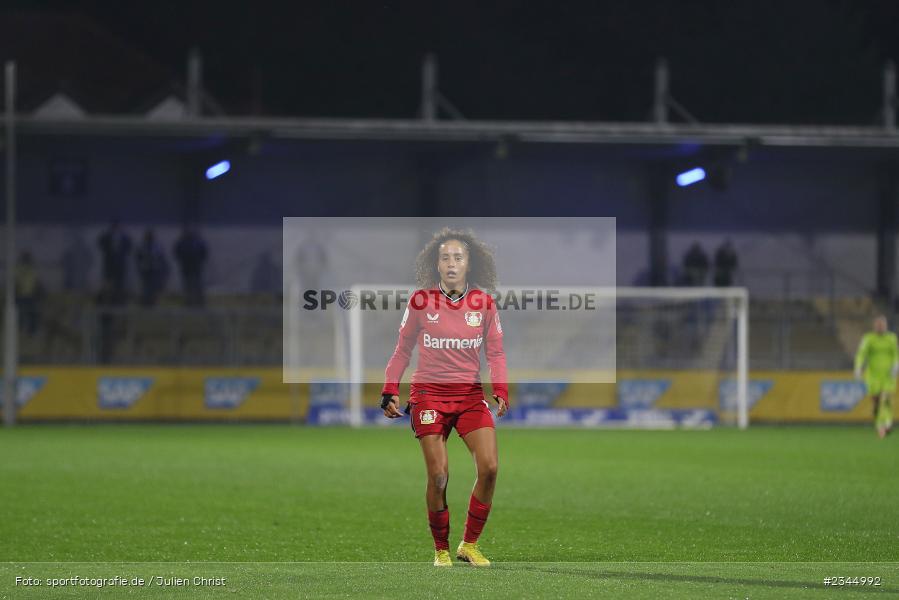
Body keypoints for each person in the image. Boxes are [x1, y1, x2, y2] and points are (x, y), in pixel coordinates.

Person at [381, 227, 508, 568]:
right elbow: (402, 349)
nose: (452, 263)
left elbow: (495, 352)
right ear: (436, 264)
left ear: (469, 264)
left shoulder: (484, 303)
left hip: (468, 396)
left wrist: (500, 388)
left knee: (491, 467)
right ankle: (441, 549)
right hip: (429, 397)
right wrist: (390, 388)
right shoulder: (421, 302)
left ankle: (469, 545)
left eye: (458, 257)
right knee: (439, 476)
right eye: (445, 257)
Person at [854, 315, 897, 438]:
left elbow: (896, 354)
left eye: (882, 325)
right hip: (873, 376)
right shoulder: (868, 338)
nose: (880, 327)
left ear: (886, 326)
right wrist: (858, 367)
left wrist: (896, 365)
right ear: (874, 326)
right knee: (877, 402)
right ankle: (879, 425)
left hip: (888, 375)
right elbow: (861, 354)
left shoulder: (891, 338)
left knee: (886, 399)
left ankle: (888, 423)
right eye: (878, 325)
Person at [97, 220, 132, 303]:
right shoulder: (106, 237)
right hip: (109, 266)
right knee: (108, 286)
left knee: (120, 286)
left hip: (120, 267)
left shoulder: (125, 238)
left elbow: (129, 247)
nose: (117, 229)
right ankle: (108, 301)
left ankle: (119, 301)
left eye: (118, 227)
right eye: (115, 227)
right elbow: (100, 244)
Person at [173, 225, 208, 307]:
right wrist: (182, 260)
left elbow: (204, 252)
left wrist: (200, 261)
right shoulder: (182, 242)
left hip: (196, 266)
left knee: (198, 285)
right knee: (188, 285)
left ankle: (200, 302)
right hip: (186, 267)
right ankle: (189, 301)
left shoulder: (198, 242)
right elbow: (177, 252)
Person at [135, 229, 169, 307]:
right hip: (145, 269)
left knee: (153, 287)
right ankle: (145, 302)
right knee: (145, 287)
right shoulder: (142, 246)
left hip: (155, 269)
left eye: (151, 236)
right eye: (148, 236)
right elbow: (138, 257)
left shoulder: (157, 246)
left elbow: (162, 258)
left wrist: (162, 270)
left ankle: (152, 302)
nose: (150, 237)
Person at [15, 251, 44, 335]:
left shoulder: (32, 269)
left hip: (30, 297)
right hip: (22, 297)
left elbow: (37, 283)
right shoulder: (19, 269)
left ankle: (30, 331)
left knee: (33, 314)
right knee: (22, 314)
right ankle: (21, 330)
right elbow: (16, 283)